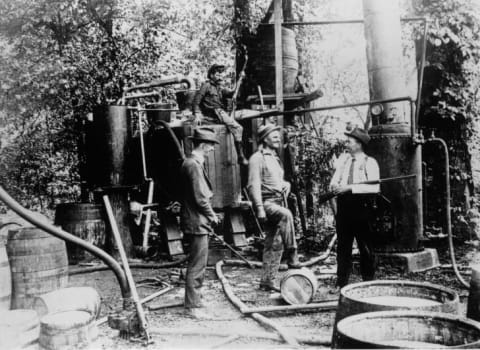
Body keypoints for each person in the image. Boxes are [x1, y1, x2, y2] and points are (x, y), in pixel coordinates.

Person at [247, 123, 300, 292]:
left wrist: (286, 184)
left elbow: (277, 180)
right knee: (286, 215)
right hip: (267, 202)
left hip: (279, 200)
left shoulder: (274, 157)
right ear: (264, 138)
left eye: (278, 134)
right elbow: (253, 185)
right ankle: (293, 254)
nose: (278, 137)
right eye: (274, 135)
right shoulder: (257, 158)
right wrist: (260, 208)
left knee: (274, 243)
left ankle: (267, 281)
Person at [192, 64, 275, 166]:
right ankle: (240, 156)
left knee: (243, 113)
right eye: (217, 74)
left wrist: (239, 80)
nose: (220, 77)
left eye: (221, 75)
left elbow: (232, 93)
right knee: (238, 128)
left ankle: (266, 112)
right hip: (215, 113)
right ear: (211, 75)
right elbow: (196, 100)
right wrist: (197, 114)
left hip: (222, 112)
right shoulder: (206, 86)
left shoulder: (219, 88)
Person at [329, 127, 380, 288]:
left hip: (362, 208)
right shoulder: (344, 161)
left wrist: (350, 188)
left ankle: (368, 283)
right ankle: (341, 282)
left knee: (365, 247)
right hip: (344, 207)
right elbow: (335, 180)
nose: (347, 144)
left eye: (349, 142)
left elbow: (374, 188)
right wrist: (334, 185)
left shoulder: (370, 162)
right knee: (343, 246)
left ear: (359, 144)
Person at [180, 127, 220, 318]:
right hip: (197, 222)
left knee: (198, 263)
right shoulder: (193, 165)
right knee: (197, 265)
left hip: (195, 221)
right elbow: (201, 198)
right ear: (203, 145)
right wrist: (212, 214)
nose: (212, 149)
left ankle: (195, 301)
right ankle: (192, 307)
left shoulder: (190, 163)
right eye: (211, 145)